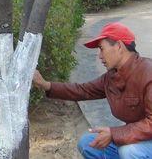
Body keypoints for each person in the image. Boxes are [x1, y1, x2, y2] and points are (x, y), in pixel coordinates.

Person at [33, 22, 152, 158]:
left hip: (143, 142)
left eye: (102, 49)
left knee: (130, 151)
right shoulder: (111, 77)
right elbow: (82, 90)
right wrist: (46, 85)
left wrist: (114, 133)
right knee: (88, 142)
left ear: (119, 46)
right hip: (138, 138)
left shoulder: (148, 73)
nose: (100, 56)